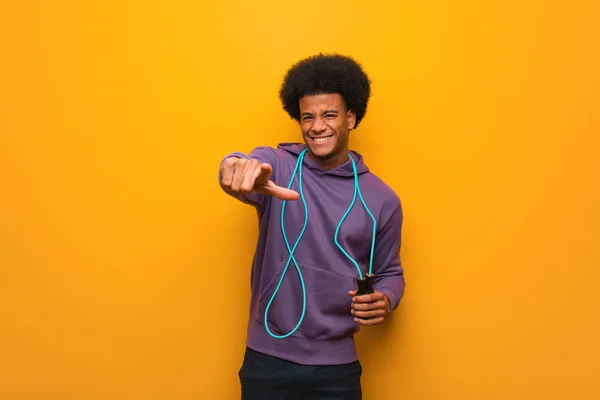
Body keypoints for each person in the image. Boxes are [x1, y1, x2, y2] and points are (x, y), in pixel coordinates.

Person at [218, 53, 405, 400]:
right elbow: (246, 164)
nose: (317, 126)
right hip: (267, 359)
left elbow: (390, 272)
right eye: (308, 117)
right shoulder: (278, 166)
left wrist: (387, 298)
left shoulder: (382, 199)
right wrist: (234, 167)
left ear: (350, 118)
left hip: (337, 368)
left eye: (329, 114)